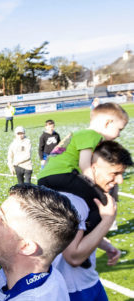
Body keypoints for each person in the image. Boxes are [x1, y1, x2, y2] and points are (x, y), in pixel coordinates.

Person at [52, 141, 132, 301]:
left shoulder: (90, 195)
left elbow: (79, 235)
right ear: (93, 167)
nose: (119, 180)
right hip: (70, 288)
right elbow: (74, 256)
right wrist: (107, 220)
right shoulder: (73, 200)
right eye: (114, 173)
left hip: (89, 281)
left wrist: (104, 244)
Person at [38, 103, 128, 243]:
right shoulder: (92, 135)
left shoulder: (79, 134)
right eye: (119, 129)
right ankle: (85, 240)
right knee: (100, 202)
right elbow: (84, 165)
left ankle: (74, 237)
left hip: (45, 178)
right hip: (63, 174)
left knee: (70, 209)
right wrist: (95, 188)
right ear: (108, 123)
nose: (119, 134)